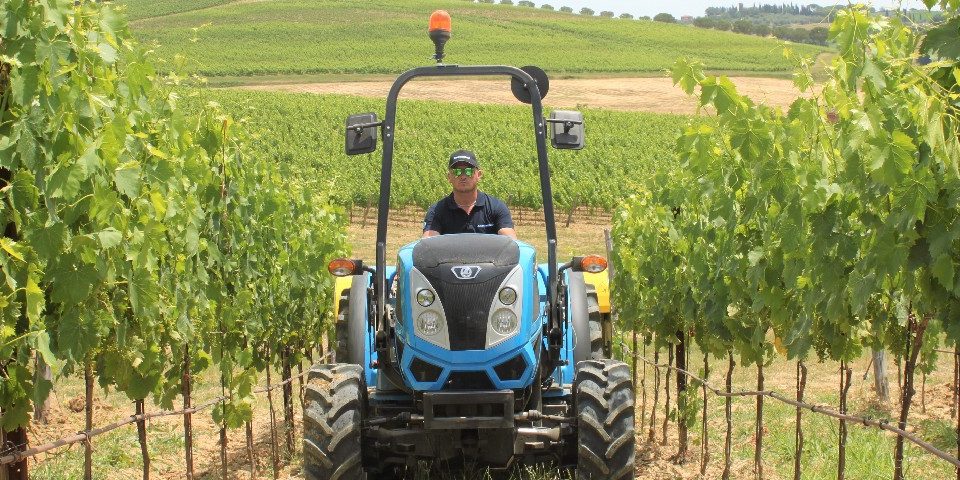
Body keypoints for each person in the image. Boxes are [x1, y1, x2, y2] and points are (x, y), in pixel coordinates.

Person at [422, 150, 517, 239]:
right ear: (449, 177)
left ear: (479, 175)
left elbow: (510, 242)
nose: (463, 176)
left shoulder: (496, 207)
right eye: (457, 172)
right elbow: (428, 245)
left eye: (469, 171)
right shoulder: (436, 211)